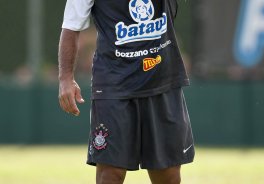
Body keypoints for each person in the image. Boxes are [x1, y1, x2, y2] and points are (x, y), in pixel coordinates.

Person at [58, 0, 195, 183]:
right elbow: (71, 26)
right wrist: (66, 78)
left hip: (161, 80)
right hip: (114, 84)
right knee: (111, 173)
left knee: (168, 175)